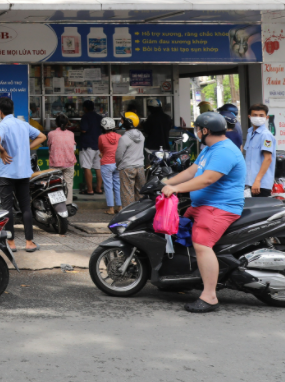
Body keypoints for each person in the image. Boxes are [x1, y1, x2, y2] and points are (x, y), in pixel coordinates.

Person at [162, 111, 246, 312]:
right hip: (202, 206)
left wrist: (176, 189)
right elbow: (192, 171)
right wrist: (165, 182)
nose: (196, 132)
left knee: (201, 244)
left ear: (205, 130)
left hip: (220, 207)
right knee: (178, 233)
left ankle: (210, 296)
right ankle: (187, 278)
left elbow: (207, 179)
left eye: (198, 129)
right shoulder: (210, 148)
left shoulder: (224, 150)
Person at [0, 97, 46, 253]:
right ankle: (29, 243)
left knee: (7, 207)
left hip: (7, 173)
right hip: (23, 172)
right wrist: (27, 147)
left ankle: (11, 242)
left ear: (0, 112)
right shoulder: (23, 124)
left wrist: (2, 151)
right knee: (25, 207)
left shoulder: (2, 125)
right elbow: (42, 137)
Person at [243, 103, 275, 197]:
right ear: (249, 117)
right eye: (255, 115)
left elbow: (268, 159)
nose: (258, 117)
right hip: (250, 182)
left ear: (267, 117)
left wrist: (257, 180)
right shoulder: (250, 133)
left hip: (261, 183)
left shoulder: (265, 135)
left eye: (261, 115)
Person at [116, 112, 146, 209]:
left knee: (127, 194)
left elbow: (119, 155)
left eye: (122, 119)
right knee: (140, 193)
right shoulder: (141, 136)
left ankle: (128, 216)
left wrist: (118, 165)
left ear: (127, 122)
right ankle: (140, 214)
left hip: (127, 168)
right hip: (140, 167)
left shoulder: (124, 138)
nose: (121, 121)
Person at [46, 114, 77, 204]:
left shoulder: (51, 134)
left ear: (56, 123)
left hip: (55, 163)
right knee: (69, 184)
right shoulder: (71, 134)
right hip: (69, 162)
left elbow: (49, 145)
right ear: (67, 124)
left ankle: (57, 204)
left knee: (54, 184)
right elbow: (73, 148)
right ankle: (68, 204)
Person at [78, 100, 103, 195]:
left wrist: (78, 127)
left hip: (88, 145)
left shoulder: (85, 117)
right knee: (98, 168)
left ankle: (90, 190)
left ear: (84, 108)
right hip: (98, 145)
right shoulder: (99, 117)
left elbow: (84, 130)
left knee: (87, 167)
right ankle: (99, 189)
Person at [98, 118, 121, 214]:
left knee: (108, 186)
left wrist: (103, 154)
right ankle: (120, 207)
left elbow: (101, 149)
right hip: (117, 163)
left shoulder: (101, 137)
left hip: (106, 164)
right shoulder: (119, 136)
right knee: (117, 185)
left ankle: (111, 209)